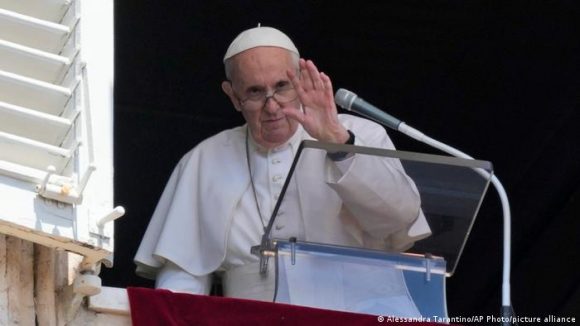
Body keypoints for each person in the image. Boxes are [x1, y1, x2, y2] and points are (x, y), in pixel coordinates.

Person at [134, 26, 431, 302]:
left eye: (281, 86)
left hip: (353, 310)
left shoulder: (360, 135)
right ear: (233, 96)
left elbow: (399, 218)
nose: (272, 106)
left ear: (300, 81)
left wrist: (340, 146)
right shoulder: (205, 159)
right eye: (254, 92)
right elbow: (184, 272)